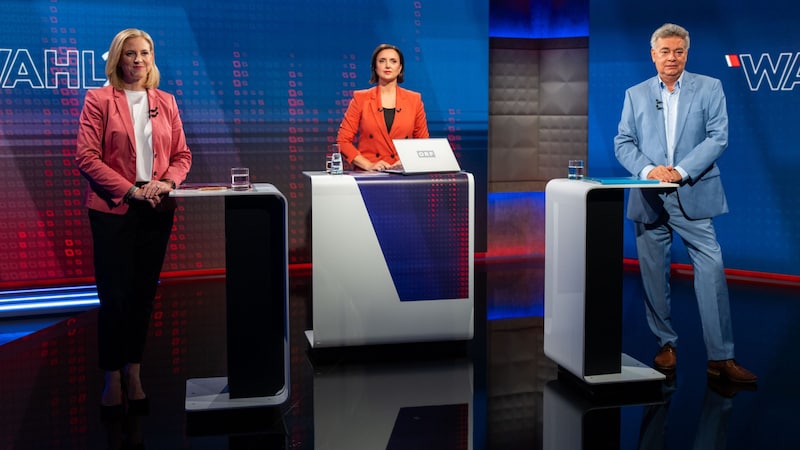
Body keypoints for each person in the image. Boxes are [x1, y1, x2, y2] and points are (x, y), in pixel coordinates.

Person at [614, 23, 756, 384]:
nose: (672, 58)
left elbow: (718, 137)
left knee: (710, 270)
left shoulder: (710, 87)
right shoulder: (636, 94)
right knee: (652, 275)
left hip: (692, 191)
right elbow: (623, 142)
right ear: (654, 55)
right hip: (648, 196)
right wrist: (649, 170)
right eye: (665, 51)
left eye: (678, 51)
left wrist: (679, 171)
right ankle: (666, 344)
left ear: (686, 54)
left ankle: (721, 358)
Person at [76, 28, 192, 418]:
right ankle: (111, 374)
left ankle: (135, 372)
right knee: (114, 298)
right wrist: (130, 190)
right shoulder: (98, 99)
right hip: (114, 209)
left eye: (144, 53)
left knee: (143, 296)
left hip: (157, 208)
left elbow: (182, 155)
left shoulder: (167, 101)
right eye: (130, 54)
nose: (138, 60)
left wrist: (168, 182)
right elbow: (87, 157)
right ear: (117, 59)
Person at [337, 43, 429, 171]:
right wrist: (368, 165)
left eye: (393, 61)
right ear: (375, 67)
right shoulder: (361, 99)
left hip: (403, 172)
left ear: (400, 68)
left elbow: (423, 143)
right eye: (382, 61)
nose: (387, 65)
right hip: (369, 175)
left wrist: (407, 161)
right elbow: (343, 141)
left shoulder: (414, 100)